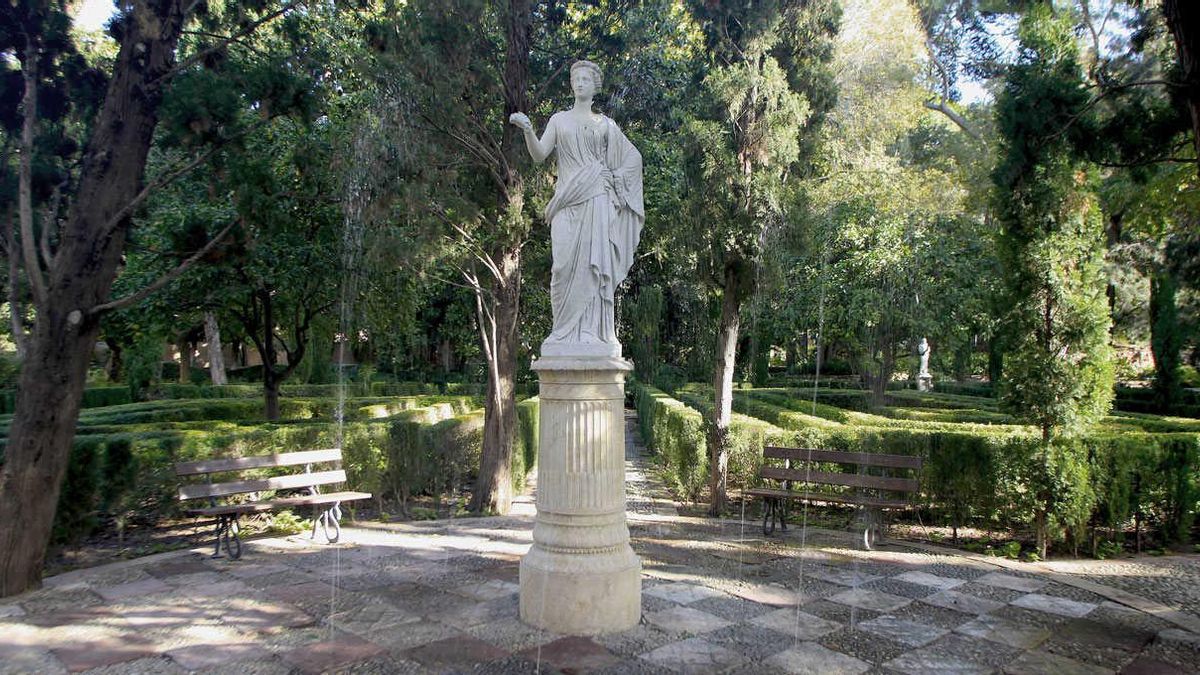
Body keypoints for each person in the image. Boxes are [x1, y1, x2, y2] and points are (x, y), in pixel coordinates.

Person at [509, 60, 644, 356]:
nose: (580, 83)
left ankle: (594, 333)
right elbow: (539, 155)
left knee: (596, 268)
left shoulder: (606, 125)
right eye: (576, 79)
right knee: (562, 267)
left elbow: (633, 159)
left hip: (597, 200)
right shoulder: (559, 120)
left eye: (585, 79)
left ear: (595, 87)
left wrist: (614, 177)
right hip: (566, 203)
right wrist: (529, 130)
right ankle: (562, 333)